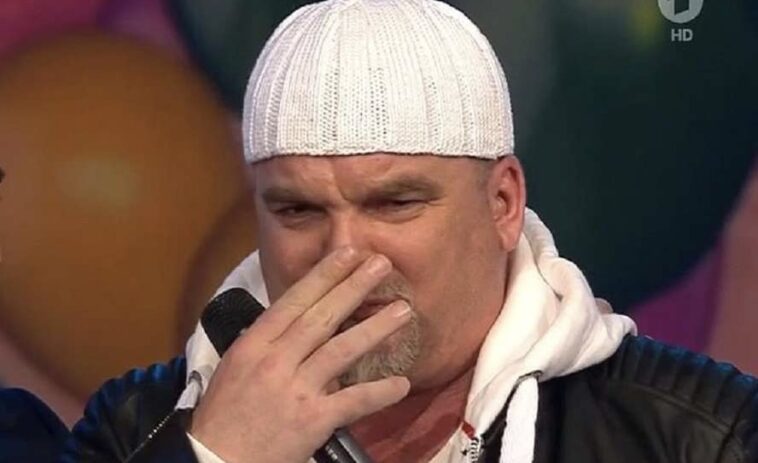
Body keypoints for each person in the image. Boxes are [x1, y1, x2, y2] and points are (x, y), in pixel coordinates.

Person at [62, 1, 758, 462]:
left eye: (394, 203)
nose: (344, 252)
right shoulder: (137, 425)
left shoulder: (698, 435)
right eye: (298, 211)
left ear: (503, 203)